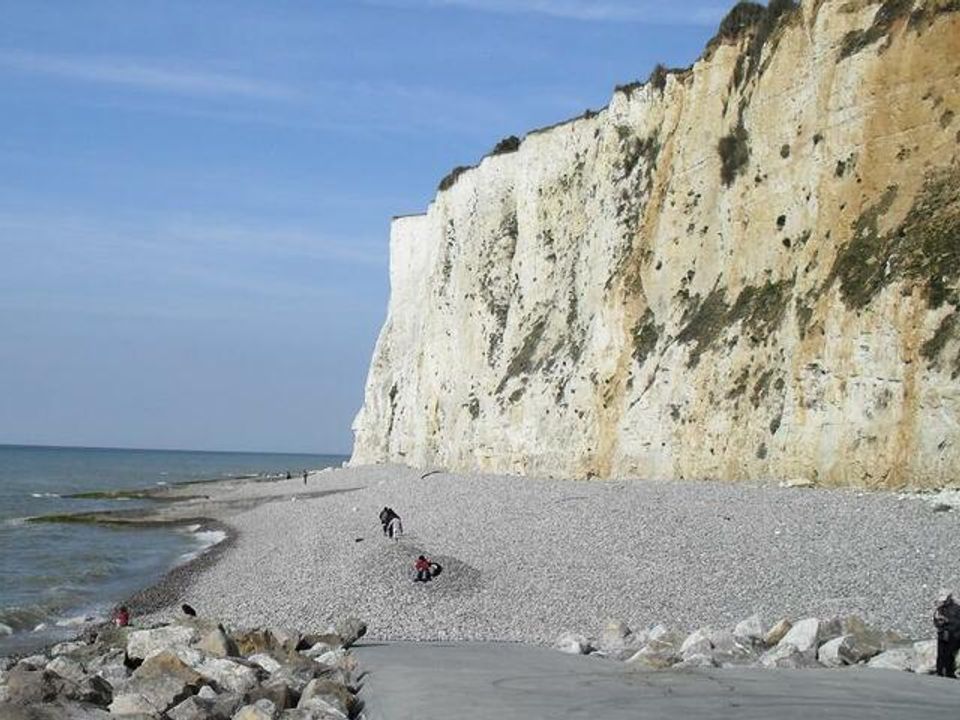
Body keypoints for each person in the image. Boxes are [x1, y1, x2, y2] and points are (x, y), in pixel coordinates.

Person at [934, 591, 960, 677]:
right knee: (941, 654)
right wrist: (939, 622)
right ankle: (939, 672)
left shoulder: (957, 608)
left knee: (949, 655)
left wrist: (948, 621)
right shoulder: (940, 609)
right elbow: (935, 621)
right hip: (943, 634)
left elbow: (958, 623)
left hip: (954, 636)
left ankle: (949, 673)